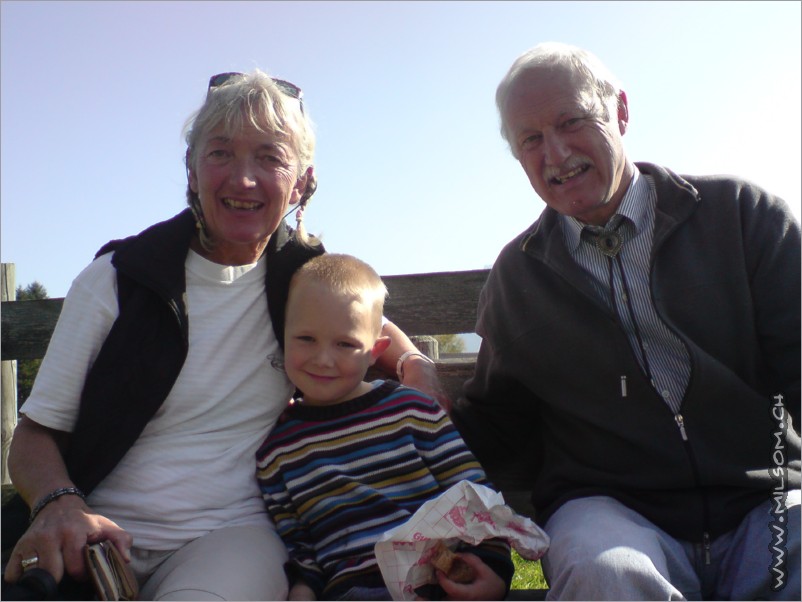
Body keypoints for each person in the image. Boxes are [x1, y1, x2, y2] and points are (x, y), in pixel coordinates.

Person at [3, 70, 445, 600]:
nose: (243, 180)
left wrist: (415, 364)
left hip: (231, 535)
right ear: (191, 170)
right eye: (220, 154)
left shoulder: (302, 279)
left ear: (301, 182)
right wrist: (60, 503)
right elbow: (34, 436)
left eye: (269, 157)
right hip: (97, 534)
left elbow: (371, 329)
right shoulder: (120, 277)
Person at [451, 42, 801, 600]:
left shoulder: (742, 217)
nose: (557, 153)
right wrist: (417, 395)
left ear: (620, 111)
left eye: (572, 122)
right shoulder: (518, 277)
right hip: (609, 510)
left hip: (763, 497)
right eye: (531, 139)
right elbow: (499, 425)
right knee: (603, 572)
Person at [256, 253, 513, 601]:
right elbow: (299, 543)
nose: (322, 358)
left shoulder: (412, 410)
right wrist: (304, 588)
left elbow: (474, 496)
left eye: (345, 343)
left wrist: (492, 568)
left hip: (436, 584)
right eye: (305, 339)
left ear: (375, 351)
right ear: (282, 338)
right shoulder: (278, 449)